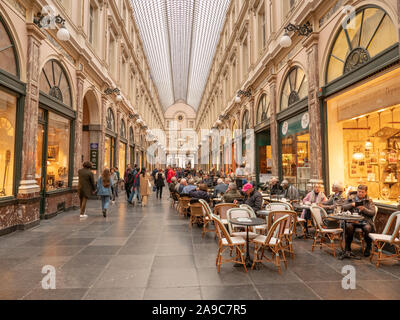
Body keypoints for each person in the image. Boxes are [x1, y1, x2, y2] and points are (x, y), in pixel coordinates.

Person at [341, 185, 376, 258]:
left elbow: (373, 212)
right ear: (357, 191)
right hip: (353, 220)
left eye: (362, 192)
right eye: (359, 191)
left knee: (367, 228)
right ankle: (348, 248)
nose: (360, 193)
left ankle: (368, 247)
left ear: (365, 193)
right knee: (349, 226)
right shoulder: (351, 198)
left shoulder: (368, 201)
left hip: (364, 221)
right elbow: (343, 207)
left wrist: (364, 209)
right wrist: (351, 204)